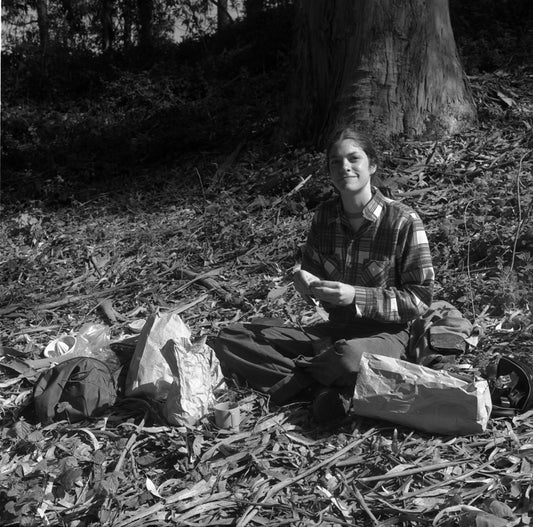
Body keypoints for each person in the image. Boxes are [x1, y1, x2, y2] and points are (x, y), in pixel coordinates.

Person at [212, 127, 434, 421]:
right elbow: (312, 273)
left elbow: (419, 298)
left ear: (372, 165)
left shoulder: (403, 221)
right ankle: (321, 389)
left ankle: (307, 382)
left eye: (354, 159)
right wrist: (303, 280)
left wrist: (355, 295)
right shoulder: (325, 216)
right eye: (335, 161)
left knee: (349, 359)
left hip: (386, 333)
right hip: (333, 331)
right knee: (231, 337)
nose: (345, 167)